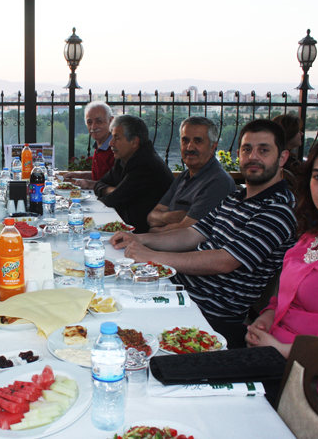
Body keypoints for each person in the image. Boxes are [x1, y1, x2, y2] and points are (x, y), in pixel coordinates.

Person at [112, 119, 297, 347]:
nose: (253, 157)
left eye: (264, 150)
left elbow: (224, 261)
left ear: (283, 158)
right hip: (178, 293)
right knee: (106, 294)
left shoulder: (278, 211)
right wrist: (138, 238)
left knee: (115, 335)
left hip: (208, 317)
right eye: (247, 149)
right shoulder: (235, 198)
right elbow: (192, 233)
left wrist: (152, 256)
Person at [246, 134, 318, 414]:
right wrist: (266, 318)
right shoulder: (311, 236)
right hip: (274, 362)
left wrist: (284, 349)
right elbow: (284, 300)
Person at [147, 117, 236, 233]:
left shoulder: (218, 182)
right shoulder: (184, 176)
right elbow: (151, 217)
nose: (190, 147)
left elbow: (186, 233)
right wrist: (173, 217)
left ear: (213, 146)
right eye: (185, 140)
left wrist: (156, 228)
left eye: (198, 141)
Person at [93, 115, 174, 233]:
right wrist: (112, 190)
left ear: (134, 142)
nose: (111, 143)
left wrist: (113, 192)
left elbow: (113, 201)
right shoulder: (124, 158)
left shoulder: (145, 164)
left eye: (117, 138)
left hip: (148, 235)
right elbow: (100, 184)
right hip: (131, 227)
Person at [63, 101, 116, 189]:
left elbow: (118, 185)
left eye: (99, 121)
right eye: (89, 122)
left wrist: (90, 184)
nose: (93, 127)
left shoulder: (116, 149)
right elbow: (100, 176)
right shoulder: (100, 145)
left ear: (111, 121)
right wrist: (77, 174)